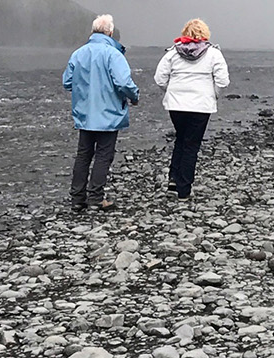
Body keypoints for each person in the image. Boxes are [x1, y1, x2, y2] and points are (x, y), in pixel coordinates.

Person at [62, 14, 139, 211]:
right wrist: (134, 96)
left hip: (85, 113)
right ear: (111, 33)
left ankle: (77, 199)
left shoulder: (78, 54)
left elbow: (67, 82)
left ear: (92, 32)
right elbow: (123, 83)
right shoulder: (114, 54)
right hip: (108, 113)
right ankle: (96, 197)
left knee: (83, 155)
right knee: (104, 155)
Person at [154, 19, 230, 200]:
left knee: (181, 138)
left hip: (176, 105)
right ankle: (184, 189)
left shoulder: (172, 53)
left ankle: (174, 179)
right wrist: (214, 95)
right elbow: (223, 81)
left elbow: (159, 78)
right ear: (205, 34)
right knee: (191, 145)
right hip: (201, 106)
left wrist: (171, 91)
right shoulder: (213, 54)